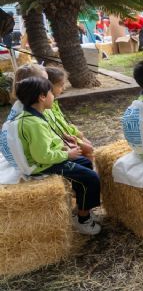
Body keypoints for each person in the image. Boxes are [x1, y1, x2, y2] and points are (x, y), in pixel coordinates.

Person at [15, 77, 101, 235]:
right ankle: (83, 220)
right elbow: (42, 156)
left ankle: (81, 206)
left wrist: (63, 144)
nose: (53, 96)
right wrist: (67, 154)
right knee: (91, 178)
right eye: (50, 93)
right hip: (43, 166)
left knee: (85, 163)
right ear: (42, 97)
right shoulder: (34, 123)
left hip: (47, 160)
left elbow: (44, 143)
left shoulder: (34, 116)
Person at [43, 67, 94, 161]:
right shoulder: (47, 107)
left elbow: (63, 123)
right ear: (49, 86)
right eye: (60, 85)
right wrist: (76, 138)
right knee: (89, 150)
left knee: (90, 147)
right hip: (62, 141)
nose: (64, 88)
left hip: (68, 136)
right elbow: (58, 128)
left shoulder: (53, 102)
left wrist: (76, 133)